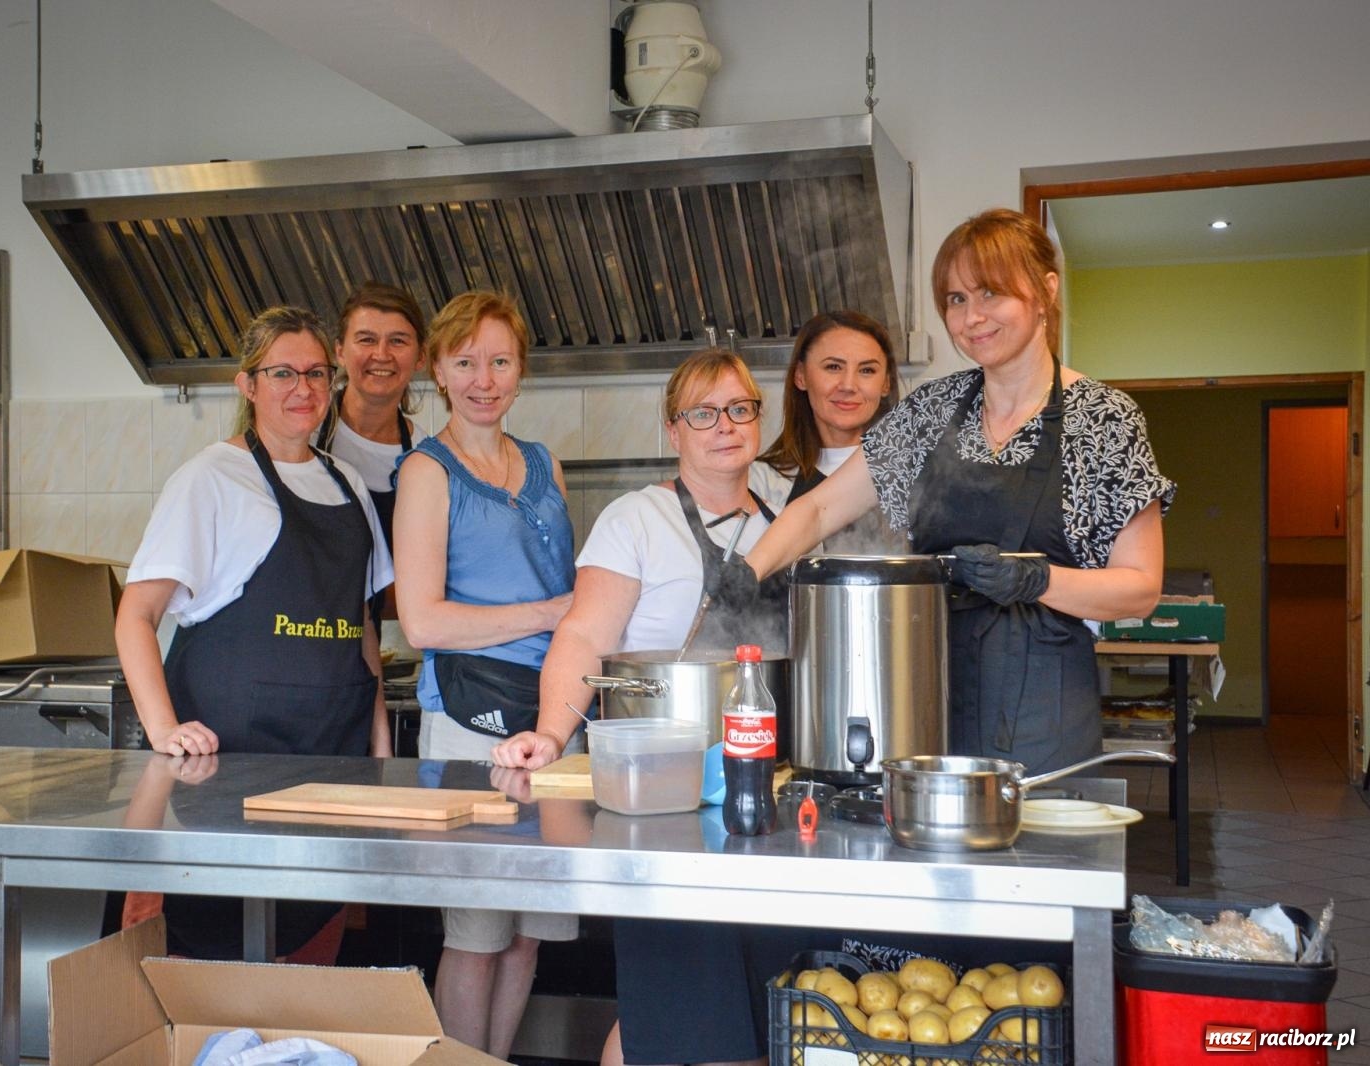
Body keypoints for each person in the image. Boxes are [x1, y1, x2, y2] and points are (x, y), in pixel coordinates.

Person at [744, 208, 1174, 775]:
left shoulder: (1104, 419)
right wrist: (744, 576)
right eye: (955, 300)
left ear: (1045, 292)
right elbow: (820, 507)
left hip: (1041, 710)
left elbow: (1140, 589)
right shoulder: (931, 411)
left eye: (991, 293)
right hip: (924, 692)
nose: (972, 318)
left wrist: (1037, 579)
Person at [493, 348, 792, 1066]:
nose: (725, 426)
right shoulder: (637, 518)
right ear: (673, 429)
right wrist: (550, 733)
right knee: (671, 997)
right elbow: (585, 634)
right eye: (703, 412)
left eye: (741, 408)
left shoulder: (789, 507)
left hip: (769, 785)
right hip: (664, 794)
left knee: (762, 997)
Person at [115, 305, 393, 959]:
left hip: (331, 763)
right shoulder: (212, 477)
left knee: (306, 960)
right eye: (284, 374)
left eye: (319, 374)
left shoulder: (345, 481)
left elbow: (359, 624)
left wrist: (377, 726)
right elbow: (136, 614)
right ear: (248, 385)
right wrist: (163, 729)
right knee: (212, 967)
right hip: (229, 770)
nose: (304, 390)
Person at [391, 290, 577, 1058]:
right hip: (469, 726)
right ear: (439, 368)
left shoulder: (544, 464)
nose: (483, 378)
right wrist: (551, 612)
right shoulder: (426, 473)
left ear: (520, 370)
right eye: (466, 361)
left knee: (529, 935)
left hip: (555, 723)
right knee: (475, 934)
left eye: (499, 361)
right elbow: (422, 622)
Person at [750, 310, 909, 555]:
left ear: (886, 383)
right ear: (801, 376)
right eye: (833, 367)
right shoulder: (763, 481)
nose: (848, 385)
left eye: (867, 370)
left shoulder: (914, 472)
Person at [316, 282, 428, 627]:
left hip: (371, 641)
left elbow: (427, 578)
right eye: (366, 339)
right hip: (295, 631)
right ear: (339, 351)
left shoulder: (428, 459)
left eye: (398, 340)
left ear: (421, 356)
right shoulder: (303, 436)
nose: (381, 354)